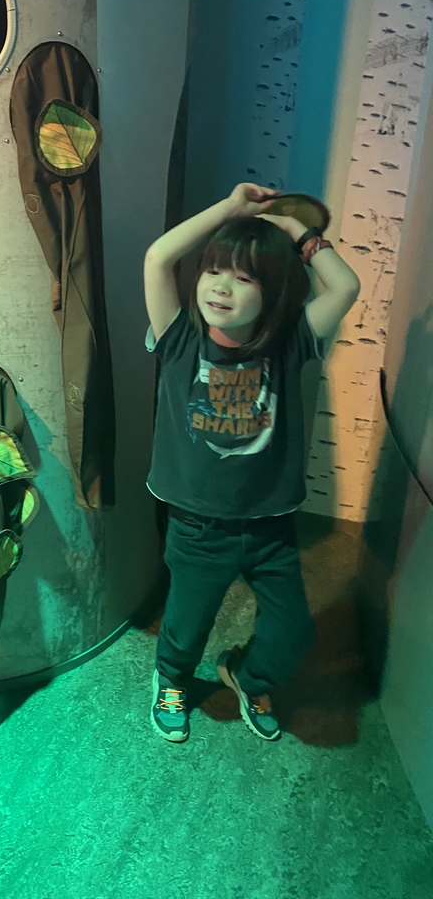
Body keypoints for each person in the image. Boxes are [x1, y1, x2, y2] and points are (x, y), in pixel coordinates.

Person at [143, 182, 361, 742]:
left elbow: (346, 285)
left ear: (273, 294)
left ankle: (248, 674)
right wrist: (231, 210)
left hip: (270, 526)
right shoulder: (178, 338)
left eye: (246, 279)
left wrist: (298, 234)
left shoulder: (289, 345)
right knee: (187, 624)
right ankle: (171, 678)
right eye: (216, 271)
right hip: (198, 525)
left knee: (292, 632)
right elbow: (159, 256)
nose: (223, 286)